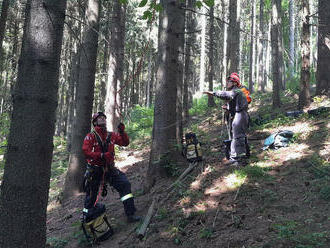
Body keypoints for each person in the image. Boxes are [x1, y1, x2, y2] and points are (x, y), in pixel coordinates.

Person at [82, 112, 141, 223]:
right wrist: (101, 155)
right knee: (91, 195)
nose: (103, 119)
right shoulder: (90, 137)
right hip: (94, 170)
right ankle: (87, 220)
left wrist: (122, 132)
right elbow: (86, 152)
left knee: (124, 185)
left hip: (109, 169)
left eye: (104, 118)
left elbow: (125, 143)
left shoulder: (111, 135)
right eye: (100, 118)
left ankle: (130, 214)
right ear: (95, 122)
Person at [203, 72, 250, 166]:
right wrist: (228, 108)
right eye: (227, 81)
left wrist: (213, 93)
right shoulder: (236, 91)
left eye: (229, 81)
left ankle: (240, 160)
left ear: (235, 83)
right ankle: (234, 158)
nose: (227, 83)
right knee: (235, 137)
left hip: (240, 116)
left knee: (238, 137)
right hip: (238, 115)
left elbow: (226, 95)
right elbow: (236, 103)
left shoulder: (236, 91)